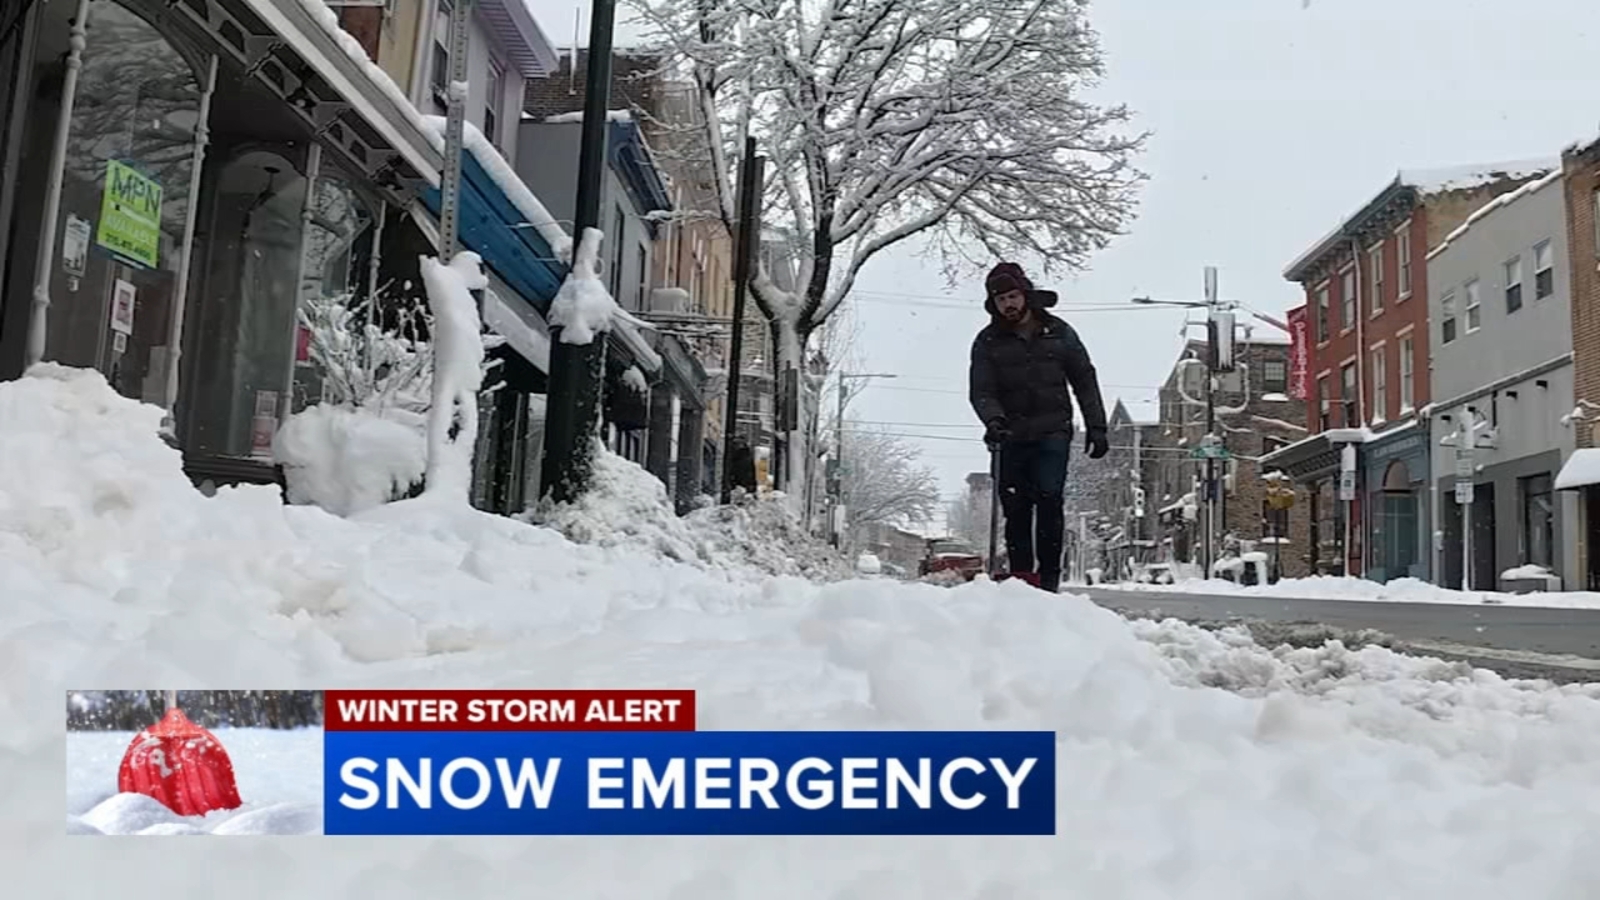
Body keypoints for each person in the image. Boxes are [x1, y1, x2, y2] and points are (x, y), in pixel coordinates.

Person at [969, 261, 1109, 593]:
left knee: (1049, 502)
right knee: (1016, 511)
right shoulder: (988, 341)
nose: (1009, 304)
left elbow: (1084, 379)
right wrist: (994, 420)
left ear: (1026, 295)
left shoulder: (1059, 332)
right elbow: (981, 390)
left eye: (1013, 296)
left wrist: (1097, 426)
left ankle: (1048, 581)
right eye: (1001, 299)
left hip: (1052, 432)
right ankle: (1022, 580)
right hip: (1009, 436)